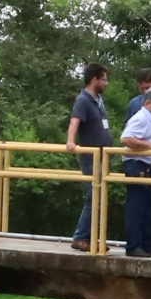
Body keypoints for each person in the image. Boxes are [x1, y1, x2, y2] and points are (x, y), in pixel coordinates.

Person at [64, 61, 110, 249]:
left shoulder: (99, 100)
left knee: (100, 199)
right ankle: (80, 237)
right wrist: (70, 141)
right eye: (104, 79)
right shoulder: (83, 100)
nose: (106, 83)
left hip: (103, 157)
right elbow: (74, 121)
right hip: (91, 159)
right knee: (94, 198)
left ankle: (93, 238)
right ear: (94, 79)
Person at [119, 85, 151, 256]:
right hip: (136, 165)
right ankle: (134, 246)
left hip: (147, 166)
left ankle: (148, 245)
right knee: (137, 207)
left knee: (149, 208)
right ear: (147, 103)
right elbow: (125, 138)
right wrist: (150, 145)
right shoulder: (141, 118)